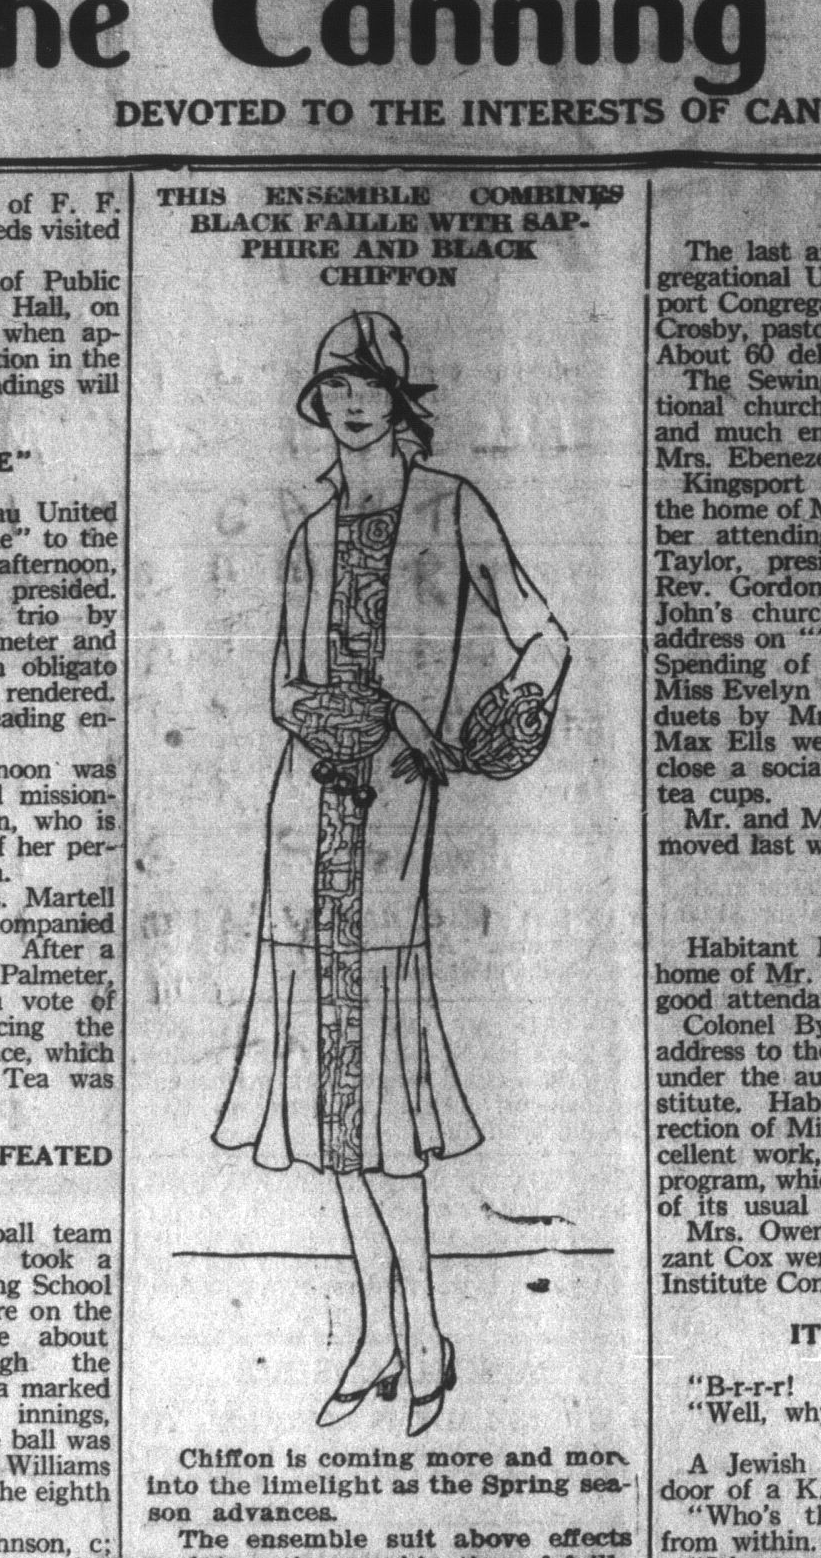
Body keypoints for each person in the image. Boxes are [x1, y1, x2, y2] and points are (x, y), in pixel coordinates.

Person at [213, 308, 569, 1439]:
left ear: (397, 398)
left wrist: (491, 723)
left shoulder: (452, 507)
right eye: (336, 385)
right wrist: (360, 716)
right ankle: (376, 1332)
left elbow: (545, 637)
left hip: (392, 822)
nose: (353, 402)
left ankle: (425, 1339)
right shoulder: (311, 533)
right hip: (303, 816)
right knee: (332, 1095)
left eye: (370, 384)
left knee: (378, 1090)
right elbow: (282, 688)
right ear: (319, 401)